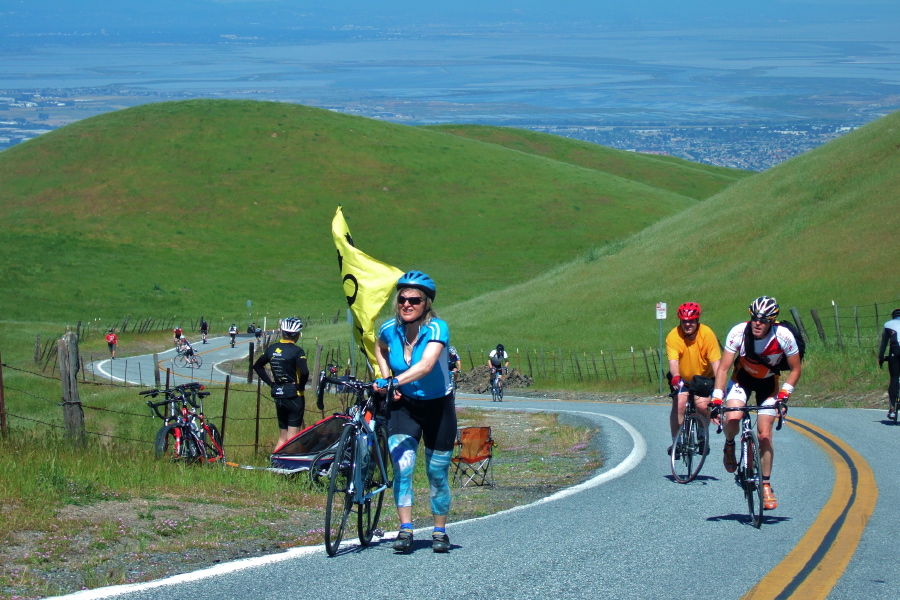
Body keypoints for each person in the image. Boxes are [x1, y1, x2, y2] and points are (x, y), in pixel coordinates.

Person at [374, 271, 455, 554]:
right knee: (403, 466)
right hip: (404, 407)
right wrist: (386, 377)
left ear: (427, 304)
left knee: (436, 472)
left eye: (415, 300)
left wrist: (393, 381)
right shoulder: (388, 329)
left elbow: (426, 366)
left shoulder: (437, 329)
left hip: (438, 407)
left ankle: (439, 531)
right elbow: (380, 347)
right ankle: (405, 529)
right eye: (402, 299)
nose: (407, 304)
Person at [713, 296, 801, 511]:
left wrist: (784, 396)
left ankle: (766, 485)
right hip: (741, 380)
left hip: (768, 384)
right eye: (754, 318)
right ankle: (730, 444)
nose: (757, 323)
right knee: (732, 416)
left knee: (764, 434)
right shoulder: (738, 333)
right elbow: (723, 368)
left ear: (772, 321)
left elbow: (796, 369)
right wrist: (717, 398)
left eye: (763, 319)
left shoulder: (784, 336)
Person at [666, 302, 721, 456]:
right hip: (682, 377)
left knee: (702, 406)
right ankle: (676, 442)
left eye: (691, 321)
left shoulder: (707, 334)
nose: (687, 324)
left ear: (697, 321)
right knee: (680, 403)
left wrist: (719, 389)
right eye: (684, 321)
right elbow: (673, 362)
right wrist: (676, 377)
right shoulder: (674, 335)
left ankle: (702, 436)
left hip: (703, 377)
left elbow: (716, 364)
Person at [253, 317, 309, 448]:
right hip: (294, 396)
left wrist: (271, 384)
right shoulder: (297, 351)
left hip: (278, 394)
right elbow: (305, 372)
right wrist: (300, 386)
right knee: (292, 438)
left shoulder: (272, 348)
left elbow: (257, 366)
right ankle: (289, 466)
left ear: (282, 332)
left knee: (282, 437)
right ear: (298, 335)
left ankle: (275, 464)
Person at [877, 308, 900, 420]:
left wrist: (881, 357)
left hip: (895, 352)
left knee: (894, 378)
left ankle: (892, 409)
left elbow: (884, 344)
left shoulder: (888, 325)